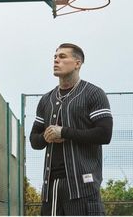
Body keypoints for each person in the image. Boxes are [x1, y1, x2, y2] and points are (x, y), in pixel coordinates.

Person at [29, 43, 113, 216]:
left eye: (62, 56)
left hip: (83, 185)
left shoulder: (94, 93)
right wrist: (47, 136)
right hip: (51, 186)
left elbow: (105, 134)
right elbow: (34, 140)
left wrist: (64, 132)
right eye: (55, 57)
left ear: (77, 63)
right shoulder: (46, 99)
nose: (56, 60)